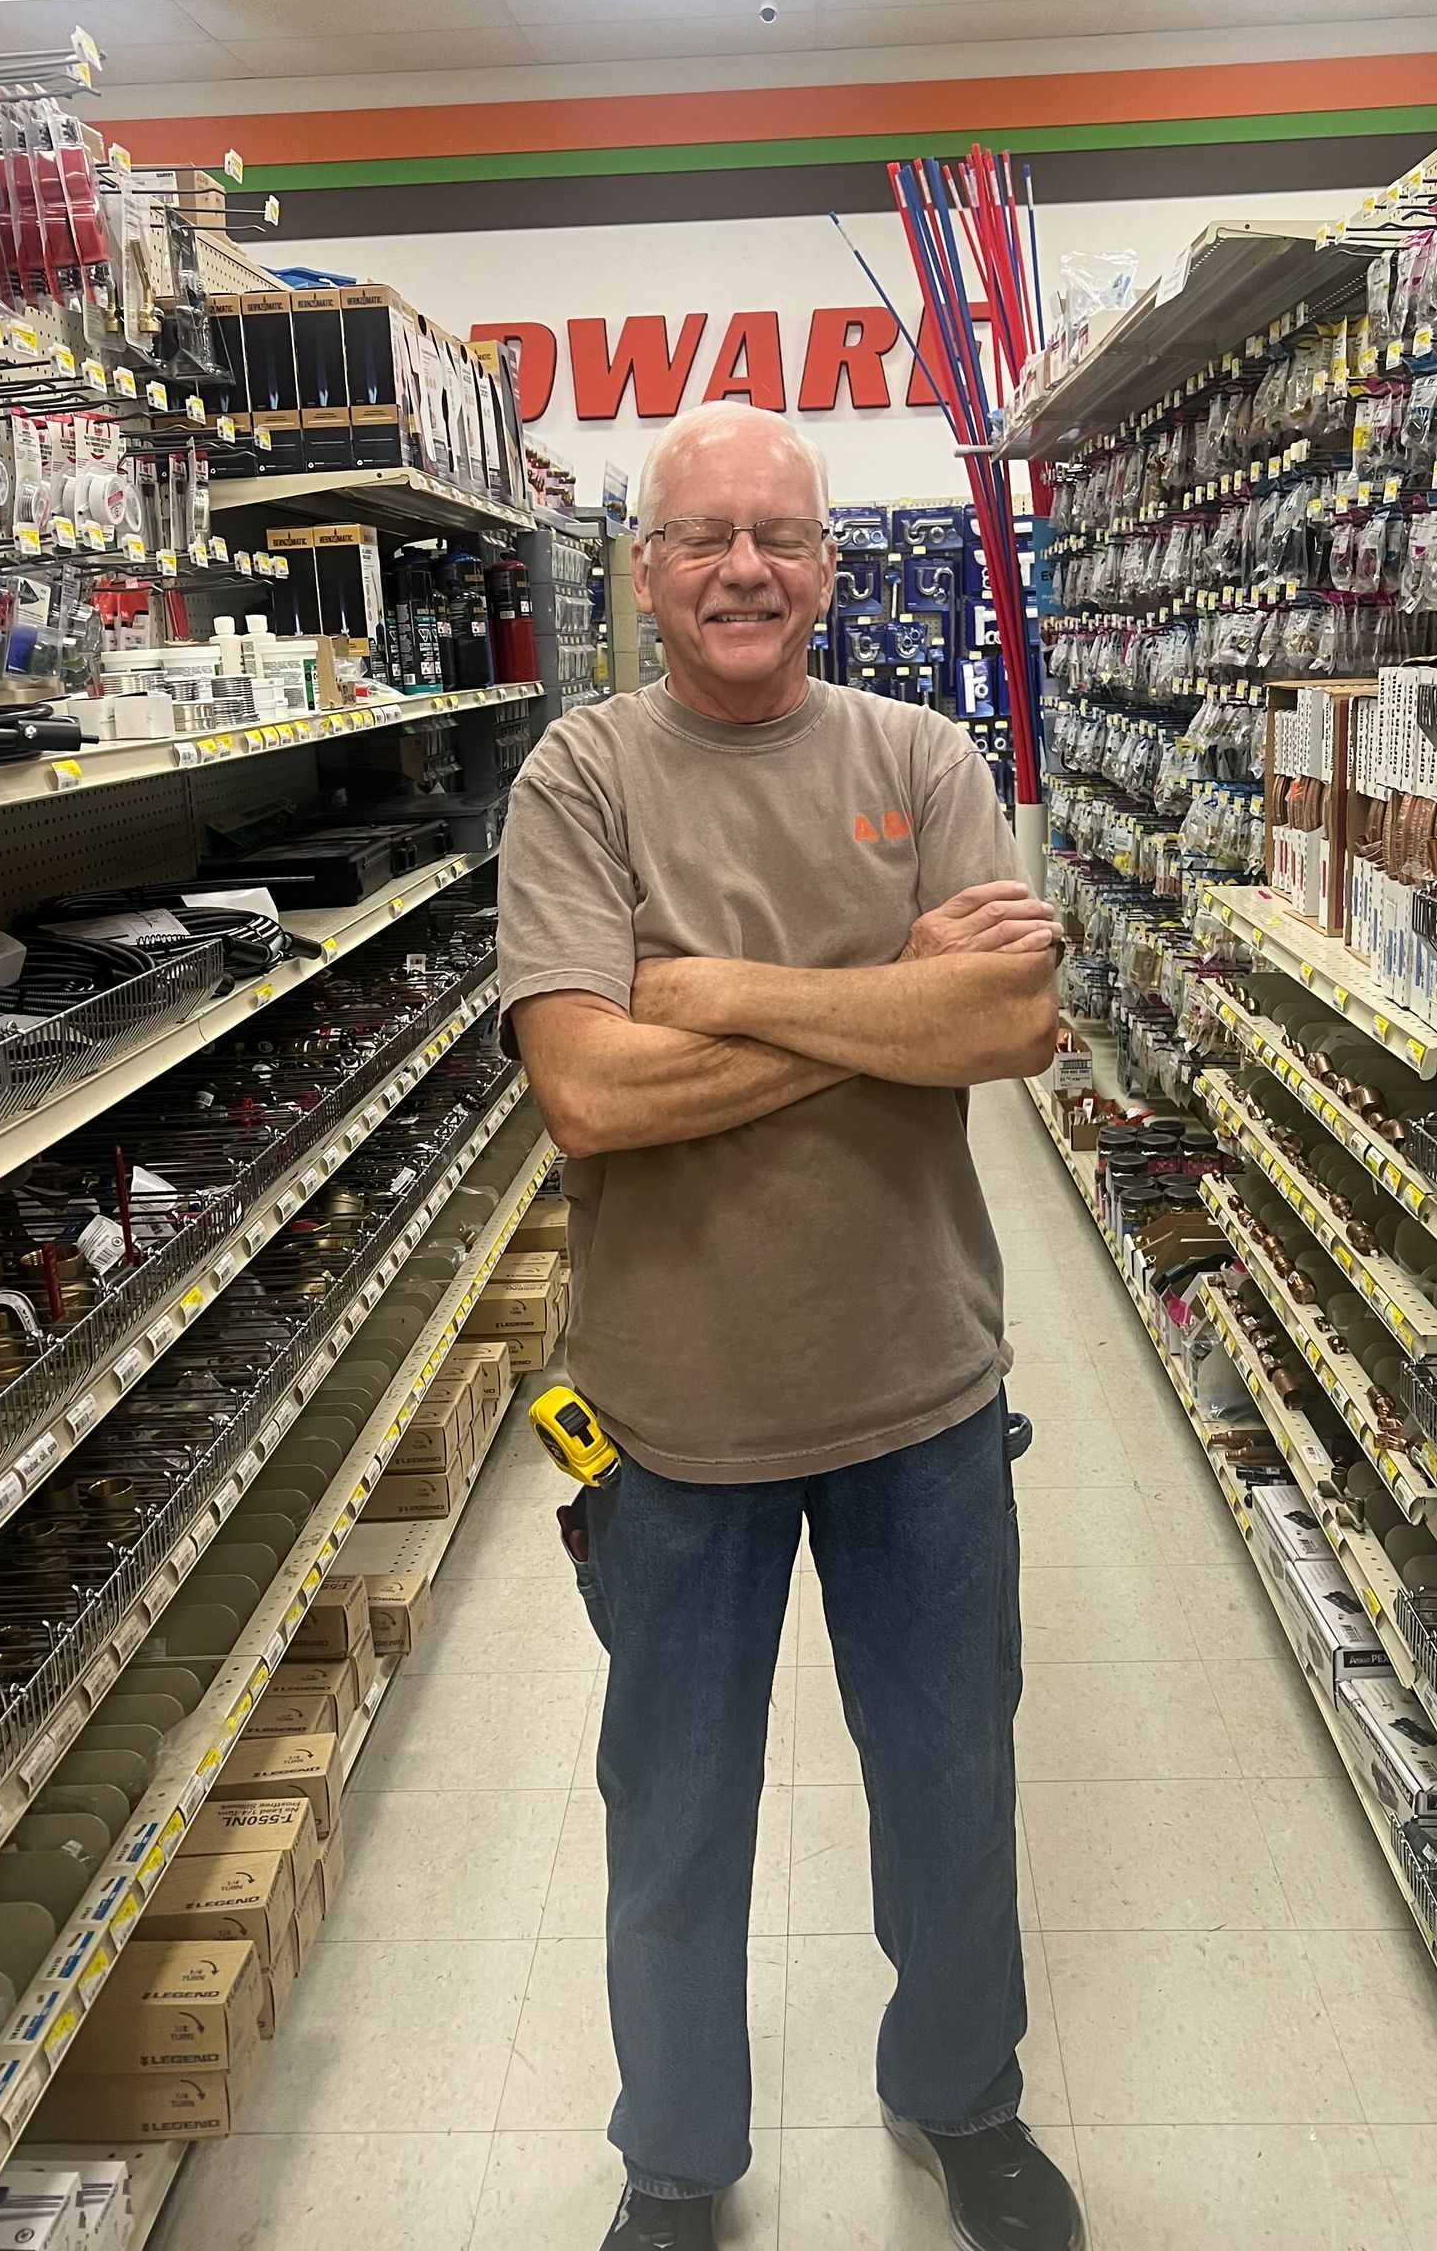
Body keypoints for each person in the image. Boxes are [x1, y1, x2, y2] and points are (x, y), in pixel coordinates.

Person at [496, 401, 1081, 2251]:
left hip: (923, 1390)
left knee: (952, 1791)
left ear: (828, 564)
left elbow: (1004, 1031)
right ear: (649, 572)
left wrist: (714, 995)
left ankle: (960, 2097)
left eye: (783, 535)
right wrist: (873, 1001)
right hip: (672, 1421)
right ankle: (677, 2160)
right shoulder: (578, 782)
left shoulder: (923, 754)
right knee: (672, 1822)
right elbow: (586, 1092)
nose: (747, 568)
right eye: (706, 538)